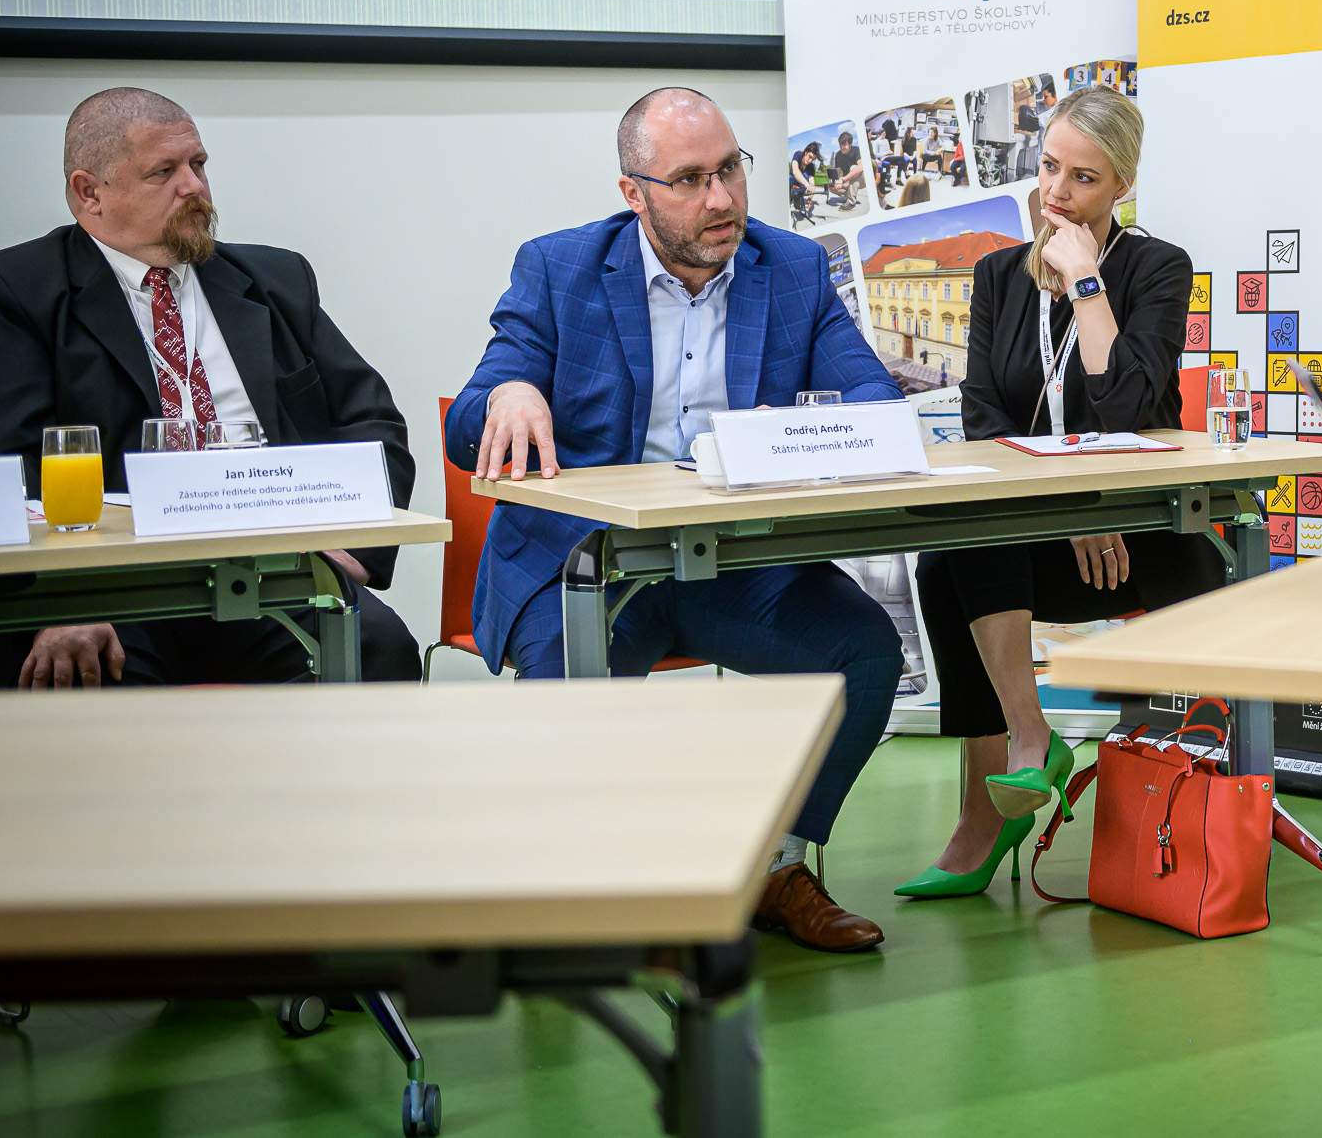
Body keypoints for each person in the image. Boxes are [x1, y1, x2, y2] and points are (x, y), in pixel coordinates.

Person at [445, 87, 906, 952]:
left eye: (730, 169)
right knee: (574, 714)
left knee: (865, 651)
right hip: (588, 566)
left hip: (733, 563)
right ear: (635, 193)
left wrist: (803, 431)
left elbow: (877, 396)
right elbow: (469, 414)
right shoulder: (559, 268)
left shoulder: (795, 267)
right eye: (690, 179)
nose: (723, 199)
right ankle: (616, 887)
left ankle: (775, 863)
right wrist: (508, 390)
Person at [0, 87, 418, 689]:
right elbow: (4, 467)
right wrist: (59, 600)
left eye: (198, 164)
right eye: (163, 172)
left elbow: (372, 420)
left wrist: (355, 549)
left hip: (267, 576)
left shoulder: (275, 281)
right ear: (88, 193)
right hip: (108, 589)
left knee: (378, 647)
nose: (194, 186)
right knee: (89, 679)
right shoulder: (16, 291)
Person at [895, 86, 1226, 899]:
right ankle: (1019, 749)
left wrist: (1086, 284)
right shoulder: (998, 276)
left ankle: (1006, 787)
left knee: (963, 557)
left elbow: (1131, 410)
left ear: (1121, 186)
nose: (1056, 193)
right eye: (1048, 167)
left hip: (1143, 534)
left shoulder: (1157, 268)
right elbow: (983, 420)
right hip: (1055, 530)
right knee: (951, 558)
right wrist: (1067, 505)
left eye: (1082, 177)